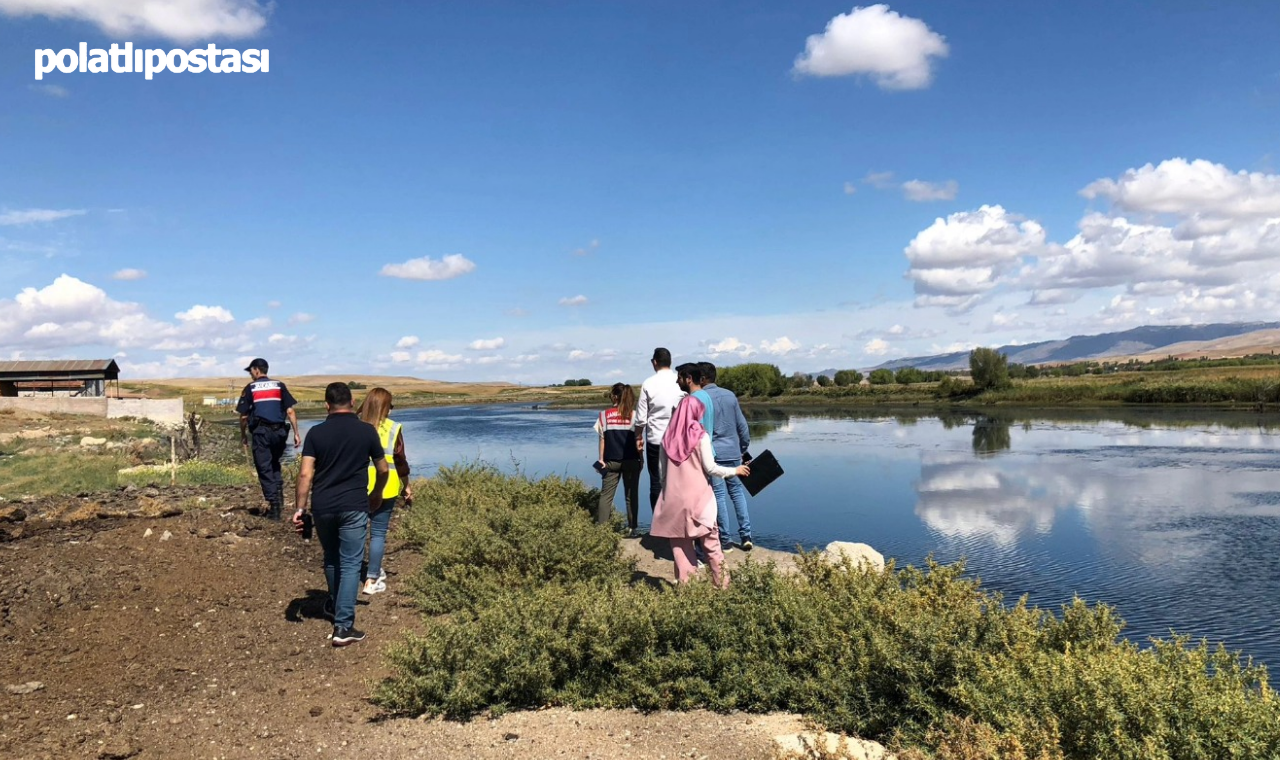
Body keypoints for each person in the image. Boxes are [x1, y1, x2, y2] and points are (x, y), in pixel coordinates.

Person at [293, 382, 388, 647]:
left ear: (327, 404)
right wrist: (377, 494)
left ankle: (335, 605)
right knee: (350, 563)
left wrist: (300, 508)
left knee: (332, 558)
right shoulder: (366, 431)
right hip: (354, 505)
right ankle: (343, 626)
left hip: (323, 506)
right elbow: (382, 469)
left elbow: (305, 474)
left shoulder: (316, 433)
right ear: (352, 400)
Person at [650, 395, 749, 587]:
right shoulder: (701, 436)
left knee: (681, 549)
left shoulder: (666, 438)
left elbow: (662, 474)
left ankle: (689, 591)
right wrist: (734, 470)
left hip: (673, 501)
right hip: (700, 501)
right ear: (696, 412)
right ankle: (722, 586)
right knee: (712, 545)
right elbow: (711, 468)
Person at [356, 388, 411, 596]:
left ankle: (351, 574)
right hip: (385, 486)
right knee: (378, 533)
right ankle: (371, 579)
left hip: (357, 486)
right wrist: (407, 486)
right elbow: (400, 461)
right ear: (384, 407)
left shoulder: (355, 427)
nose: (391, 410)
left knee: (356, 531)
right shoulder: (393, 428)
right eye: (391, 406)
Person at [699, 362, 754, 553]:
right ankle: (746, 536)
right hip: (733, 452)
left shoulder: (701, 398)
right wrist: (743, 448)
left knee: (719, 496)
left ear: (703, 378)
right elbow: (743, 426)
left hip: (714, 453)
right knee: (737, 492)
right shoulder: (730, 395)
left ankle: (726, 540)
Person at [236, 358, 300, 520]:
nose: (250, 373)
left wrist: (243, 435)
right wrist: (296, 433)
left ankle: (274, 506)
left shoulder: (250, 388)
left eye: (251, 370)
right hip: (279, 433)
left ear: (257, 370)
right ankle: (278, 500)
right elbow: (290, 412)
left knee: (264, 467)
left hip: (262, 432)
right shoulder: (279, 385)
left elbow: (244, 417)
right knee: (274, 465)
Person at [634, 348, 685, 514]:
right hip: (679, 439)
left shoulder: (648, 383)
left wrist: (638, 435)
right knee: (679, 481)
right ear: (670, 361)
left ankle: (659, 524)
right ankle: (679, 521)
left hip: (656, 439)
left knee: (656, 481)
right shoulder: (681, 380)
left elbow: (641, 417)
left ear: (654, 362)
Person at [593, 382, 642, 534]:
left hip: (610, 461)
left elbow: (602, 439)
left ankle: (603, 531)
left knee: (606, 496)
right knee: (631, 495)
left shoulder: (604, 415)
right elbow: (639, 440)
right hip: (632, 460)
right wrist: (642, 459)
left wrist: (600, 460)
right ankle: (632, 528)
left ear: (614, 396)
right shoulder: (634, 415)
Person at [675, 363, 713, 433]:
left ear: (689, 378)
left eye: (679, 378)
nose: (677, 381)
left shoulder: (692, 400)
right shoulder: (706, 396)